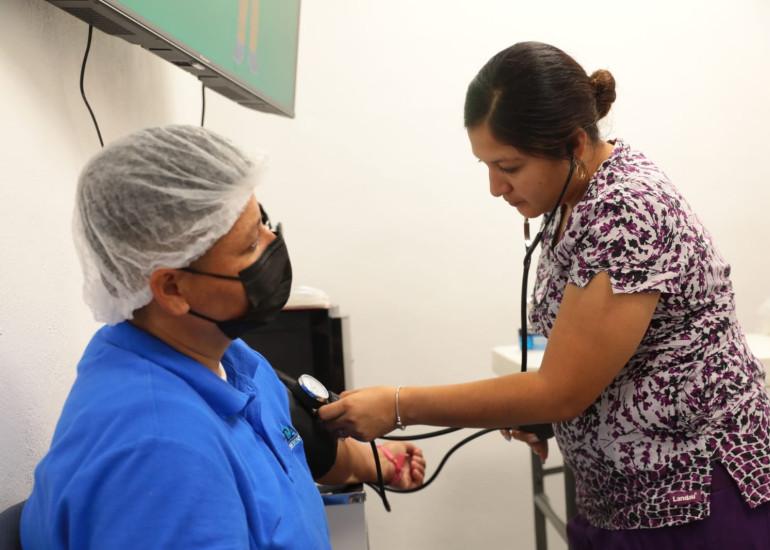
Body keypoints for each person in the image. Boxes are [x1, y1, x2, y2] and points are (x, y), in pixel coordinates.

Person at [318, 42, 770, 547]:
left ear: (573, 145)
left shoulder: (626, 210)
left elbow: (562, 389)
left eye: (508, 167)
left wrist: (399, 405)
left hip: (696, 496)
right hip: (621, 497)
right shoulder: (571, 196)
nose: (495, 187)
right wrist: (544, 414)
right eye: (486, 165)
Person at [20, 125, 425, 549]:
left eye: (263, 221)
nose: (272, 242)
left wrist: (378, 463)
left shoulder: (226, 359)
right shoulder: (163, 454)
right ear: (172, 288)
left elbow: (291, 444)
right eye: (250, 244)